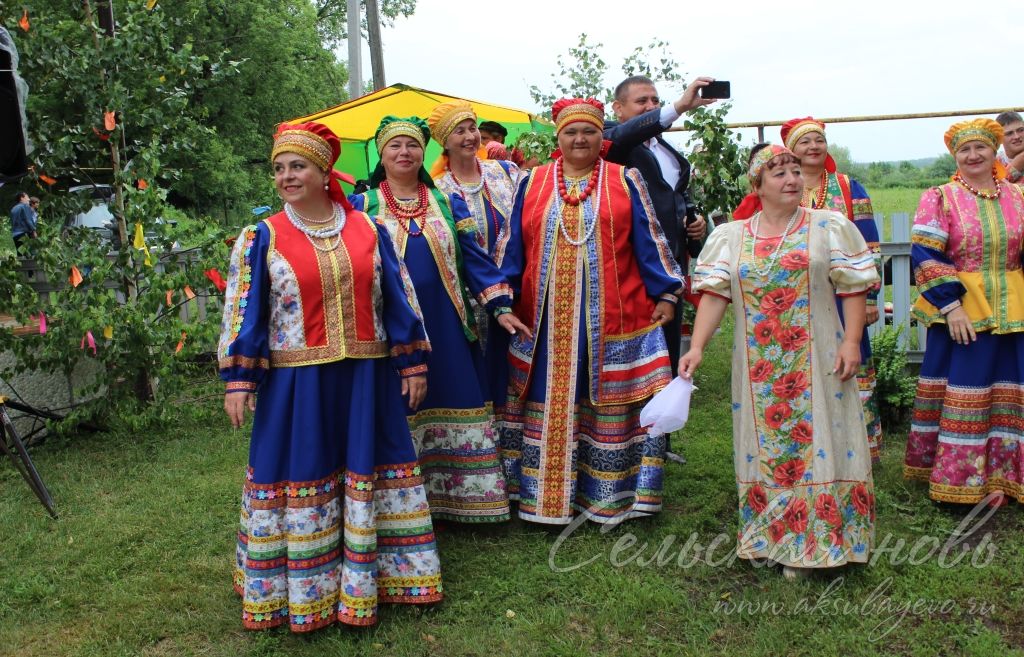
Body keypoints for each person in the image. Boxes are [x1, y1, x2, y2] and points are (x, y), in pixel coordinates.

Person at [218, 121, 442, 632]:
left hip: (366, 379)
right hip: (296, 386)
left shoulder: (368, 229)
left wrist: (412, 361)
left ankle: (379, 580)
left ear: (324, 173)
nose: (286, 176)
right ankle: (302, 592)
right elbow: (243, 310)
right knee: (300, 473)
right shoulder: (263, 236)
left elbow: (400, 298)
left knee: (370, 466)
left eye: (297, 166)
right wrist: (239, 377)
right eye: (279, 168)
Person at [680, 144, 878, 578]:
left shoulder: (829, 228)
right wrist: (696, 347)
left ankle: (817, 544)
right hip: (757, 367)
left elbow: (853, 287)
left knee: (822, 438)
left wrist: (852, 342)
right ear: (758, 185)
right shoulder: (731, 236)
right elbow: (714, 296)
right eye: (779, 173)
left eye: (795, 171)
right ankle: (771, 537)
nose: (791, 179)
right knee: (762, 447)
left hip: (819, 356)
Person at [495, 98, 685, 525]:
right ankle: (540, 496)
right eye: (570, 132)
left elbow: (649, 240)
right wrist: (502, 301)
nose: (579, 139)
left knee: (605, 400)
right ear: (557, 138)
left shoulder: (625, 179)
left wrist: (668, 294)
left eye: (589, 132)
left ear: (603, 138)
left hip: (613, 319)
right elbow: (512, 248)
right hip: (544, 324)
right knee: (548, 399)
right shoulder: (534, 183)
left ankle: (610, 495)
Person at [351, 115, 529, 524]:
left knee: (454, 397)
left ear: (424, 152)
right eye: (394, 146)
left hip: (447, 324)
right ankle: (404, 505)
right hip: (391, 331)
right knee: (401, 406)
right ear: (382, 153)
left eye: (412, 145)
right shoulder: (362, 208)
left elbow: (476, 262)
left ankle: (465, 502)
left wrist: (500, 307)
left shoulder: (447, 202)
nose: (404, 152)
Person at [904, 118, 1024, 507]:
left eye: (981, 148)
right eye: (964, 150)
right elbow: (925, 253)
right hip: (962, 310)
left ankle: (1006, 479)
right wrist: (951, 306)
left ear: (995, 152)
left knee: (1010, 389)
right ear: (955, 156)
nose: (973, 156)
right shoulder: (940, 197)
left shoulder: (1019, 196)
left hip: (1014, 307)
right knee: (968, 391)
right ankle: (961, 481)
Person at [780, 117, 884, 462]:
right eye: (804, 141)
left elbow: (869, 243)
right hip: (793, 296)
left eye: (818, 140)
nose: (813, 147)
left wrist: (868, 296)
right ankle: (806, 444)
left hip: (844, 298)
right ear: (790, 150)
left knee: (849, 361)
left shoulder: (847, 186)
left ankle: (858, 447)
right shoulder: (781, 186)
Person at [603, 76, 715, 372]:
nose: (651, 106)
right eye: (642, 101)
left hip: (673, 261)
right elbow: (624, 135)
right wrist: (678, 107)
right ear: (618, 108)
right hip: (634, 262)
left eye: (656, 101)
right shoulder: (611, 137)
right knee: (639, 342)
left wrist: (693, 223)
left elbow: (674, 192)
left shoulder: (664, 147)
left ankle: (667, 399)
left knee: (668, 339)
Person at [429, 102, 522, 414]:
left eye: (472, 129)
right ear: (444, 141)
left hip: (517, 288)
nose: (470, 137)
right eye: (459, 131)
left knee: (517, 367)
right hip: (469, 298)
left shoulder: (506, 173)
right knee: (482, 368)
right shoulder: (438, 191)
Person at [995, 111, 1024, 184]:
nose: (1016, 136)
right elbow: (991, 190)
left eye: (1020, 130)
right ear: (999, 138)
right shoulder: (993, 162)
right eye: (1009, 133)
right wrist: (1015, 167)